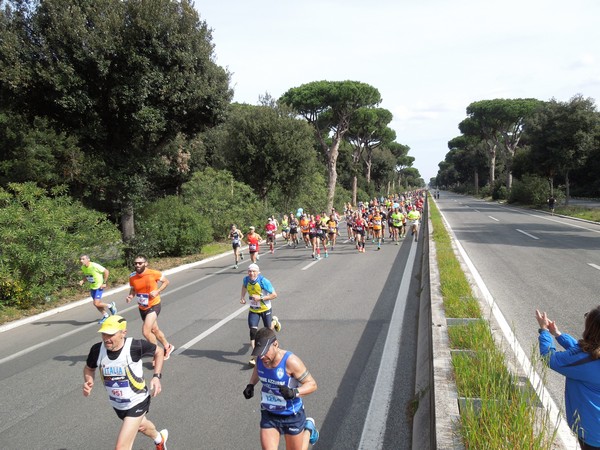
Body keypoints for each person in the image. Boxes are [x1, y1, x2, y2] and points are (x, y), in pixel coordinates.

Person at [83, 315, 169, 450]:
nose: (106, 338)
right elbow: (89, 368)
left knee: (121, 447)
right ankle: (159, 440)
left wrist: (156, 376)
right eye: (104, 334)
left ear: (123, 333)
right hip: (118, 404)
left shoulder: (135, 346)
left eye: (111, 334)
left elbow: (159, 351)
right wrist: (89, 380)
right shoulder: (97, 350)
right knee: (142, 426)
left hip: (138, 400)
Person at [243, 327, 319, 450]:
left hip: (291, 414)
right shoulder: (261, 358)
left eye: (265, 351)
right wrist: (251, 384)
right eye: (259, 352)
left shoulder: (291, 362)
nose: (262, 357)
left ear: (276, 344)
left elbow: (312, 384)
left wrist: (294, 392)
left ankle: (309, 429)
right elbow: (258, 369)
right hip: (269, 413)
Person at [536, 307, 600, 449]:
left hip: (593, 434)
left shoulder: (585, 361)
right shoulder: (591, 356)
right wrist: (558, 335)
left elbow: (550, 358)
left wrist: (544, 331)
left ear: (591, 329)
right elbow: (583, 352)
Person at [126, 256, 175, 361]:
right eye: (135, 263)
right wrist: (130, 296)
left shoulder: (154, 273)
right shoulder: (132, 276)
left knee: (146, 332)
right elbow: (133, 289)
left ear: (146, 263)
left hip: (154, 305)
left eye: (140, 263)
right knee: (155, 330)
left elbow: (166, 282)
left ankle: (156, 353)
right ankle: (167, 346)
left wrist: (158, 291)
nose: (137, 265)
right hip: (142, 306)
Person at [240, 263, 281, 366]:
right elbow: (244, 287)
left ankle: (274, 321)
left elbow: (274, 295)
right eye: (250, 271)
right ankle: (254, 356)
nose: (251, 273)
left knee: (268, 331)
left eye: (254, 271)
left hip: (265, 309)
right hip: (254, 310)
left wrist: (260, 298)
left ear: (258, 272)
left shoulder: (263, 281)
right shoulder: (246, 280)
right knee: (253, 331)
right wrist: (242, 297)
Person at [79, 255, 117, 324]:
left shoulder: (95, 266)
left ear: (88, 259)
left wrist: (104, 283)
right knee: (97, 304)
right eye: (80, 259)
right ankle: (106, 315)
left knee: (96, 303)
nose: (81, 261)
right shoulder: (83, 267)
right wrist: (83, 280)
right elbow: (87, 275)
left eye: (83, 259)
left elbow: (106, 271)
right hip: (92, 287)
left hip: (99, 286)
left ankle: (111, 306)